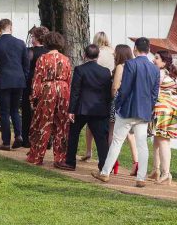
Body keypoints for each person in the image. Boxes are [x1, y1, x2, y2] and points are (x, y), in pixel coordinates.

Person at [92, 37, 159, 187]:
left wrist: (118, 105)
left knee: (117, 141)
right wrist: (149, 107)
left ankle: (105, 173)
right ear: (148, 50)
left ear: (135, 48)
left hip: (127, 109)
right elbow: (155, 93)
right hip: (144, 111)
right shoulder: (155, 68)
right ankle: (141, 178)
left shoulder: (130, 64)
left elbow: (125, 88)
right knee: (142, 144)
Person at [64, 44, 114, 171]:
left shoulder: (80, 69)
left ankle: (70, 162)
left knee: (74, 134)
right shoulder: (105, 71)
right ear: (98, 56)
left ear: (84, 55)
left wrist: (71, 110)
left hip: (82, 108)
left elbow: (75, 91)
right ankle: (104, 165)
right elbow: (108, 92)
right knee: (101, 138)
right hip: (99, 109)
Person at [26, 31, 73, 167]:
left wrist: (34, 96)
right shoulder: (66, 59)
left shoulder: (43, 58)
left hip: (47, 91)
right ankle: (60, 158)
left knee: (43, 123)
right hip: (63, 91)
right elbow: (69, 79)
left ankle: (36, 156)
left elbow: (37, 78)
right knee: (62, 125)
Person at [0, 19, 31, 150]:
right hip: (18, 80)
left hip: (4, 80)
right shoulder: (20, 43)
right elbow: (26, 63)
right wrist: (24, 76)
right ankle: (18, 135)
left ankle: (6, 141)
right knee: (15, 110)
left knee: (4, 112)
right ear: (10, 27)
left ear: (0, 29)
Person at [148, 49, 177, 184]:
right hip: (176, 110)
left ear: (163, 62)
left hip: (163, 110)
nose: (153, 60)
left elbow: (154, 92)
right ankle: (156, 169)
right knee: (158, 139)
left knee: (163, 140)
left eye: (156, 58)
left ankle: (165, 173)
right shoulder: (174, 75)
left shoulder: (160, 73)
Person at [81, 31, 116, 162]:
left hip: (96, 87)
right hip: (111, 86)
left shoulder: (98, 53)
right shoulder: (113, 52)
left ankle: (89, 150)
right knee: (107, 125)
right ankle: (108, 154)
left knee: (91, 121)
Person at [108, 43, 138, 176]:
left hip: (119, 102)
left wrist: (114, 98)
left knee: (112, 131)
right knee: (130, 134)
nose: (114, 54)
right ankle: (136, 162)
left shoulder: (121, 66)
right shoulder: (134, 66)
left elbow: (115, 87)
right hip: (132, 103)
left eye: (115, 52)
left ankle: (112, 162)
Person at [21, 26, 49, 147]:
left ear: (36, 38)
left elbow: (25, 68)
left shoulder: (30, 52)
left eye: (33, 36)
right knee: (45, 112)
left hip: (31, 83)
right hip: (46, 84)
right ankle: (46, 139)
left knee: (27, 112)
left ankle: (27, 139)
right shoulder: (49, 52)